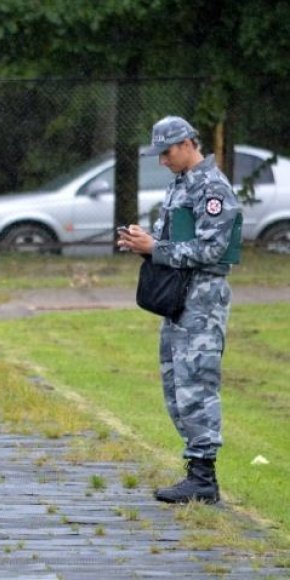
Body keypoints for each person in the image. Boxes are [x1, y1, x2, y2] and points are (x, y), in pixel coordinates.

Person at [118, 116, 242, 504]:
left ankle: (204, 477)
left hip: (202, 301)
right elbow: (173, 240)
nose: (164, 160)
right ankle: (195, 471)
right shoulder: (180, 186)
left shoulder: (212, 187)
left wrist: (155, 248)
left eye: (168, 152)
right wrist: (145, 242)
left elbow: (212, 250)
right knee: (177, 386)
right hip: (180, 299)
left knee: (197, 385)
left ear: (188, 143)